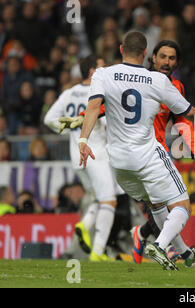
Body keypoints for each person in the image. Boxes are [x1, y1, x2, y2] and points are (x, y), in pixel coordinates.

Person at [61, 40, 195, 265]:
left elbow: (181, 121)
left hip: (128, 158)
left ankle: (179, 251)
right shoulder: (155, 81)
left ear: (177, 62)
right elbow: (187, 115)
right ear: (150, 56)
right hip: (151, 154)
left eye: (172, 58)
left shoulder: (166, 84)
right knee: (179, 205)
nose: (167, 62)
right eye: (163, 57)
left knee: (157, 206)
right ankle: (158, 245)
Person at [44, 55, 123, 262]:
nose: (106, 71)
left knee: (99, 197)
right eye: (102, 67)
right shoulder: (97, 93)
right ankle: (97, 252)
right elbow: (106, 125)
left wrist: (70, 126)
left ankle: (85, 224)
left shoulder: (69, 93)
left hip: (76, 156)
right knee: (109, 200)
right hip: (95, 153)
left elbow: (49, 119)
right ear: (92, 72)